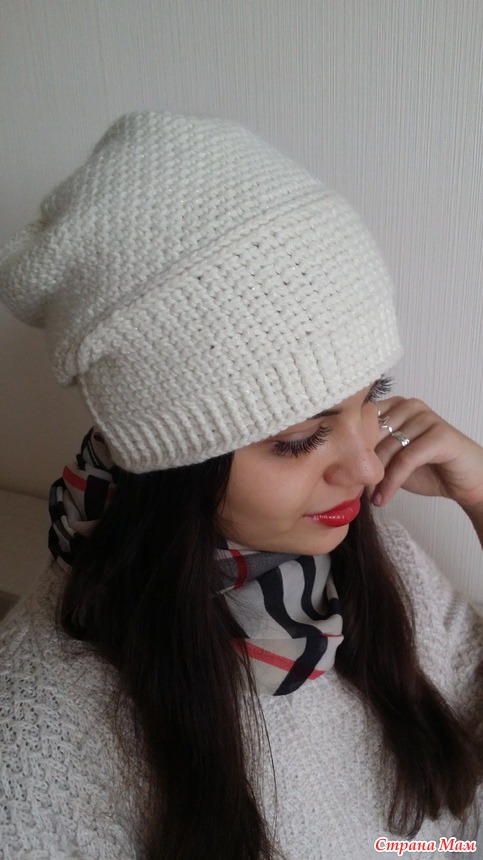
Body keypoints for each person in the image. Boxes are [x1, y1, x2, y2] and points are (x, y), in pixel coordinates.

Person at [0, 109, 482, 860]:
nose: (365, 467)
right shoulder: (39, 750)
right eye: (298, 438)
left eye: (371, 396)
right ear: (174, 466)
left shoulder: (361, 549)